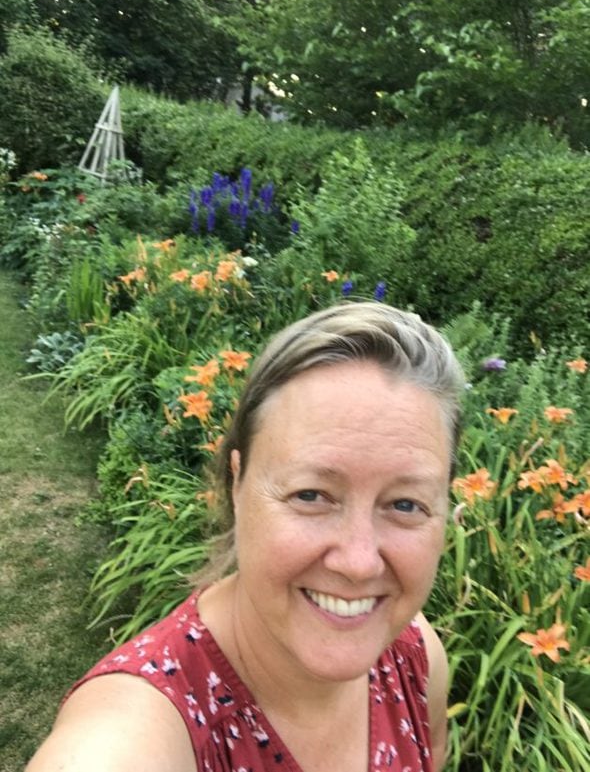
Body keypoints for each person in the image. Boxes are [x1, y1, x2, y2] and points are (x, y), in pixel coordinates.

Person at [26, 301, 464, 772]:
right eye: (311, 494)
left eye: (405, 505)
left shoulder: (415, 658)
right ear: (237, 484)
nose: (358, 562)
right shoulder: (143, 730)